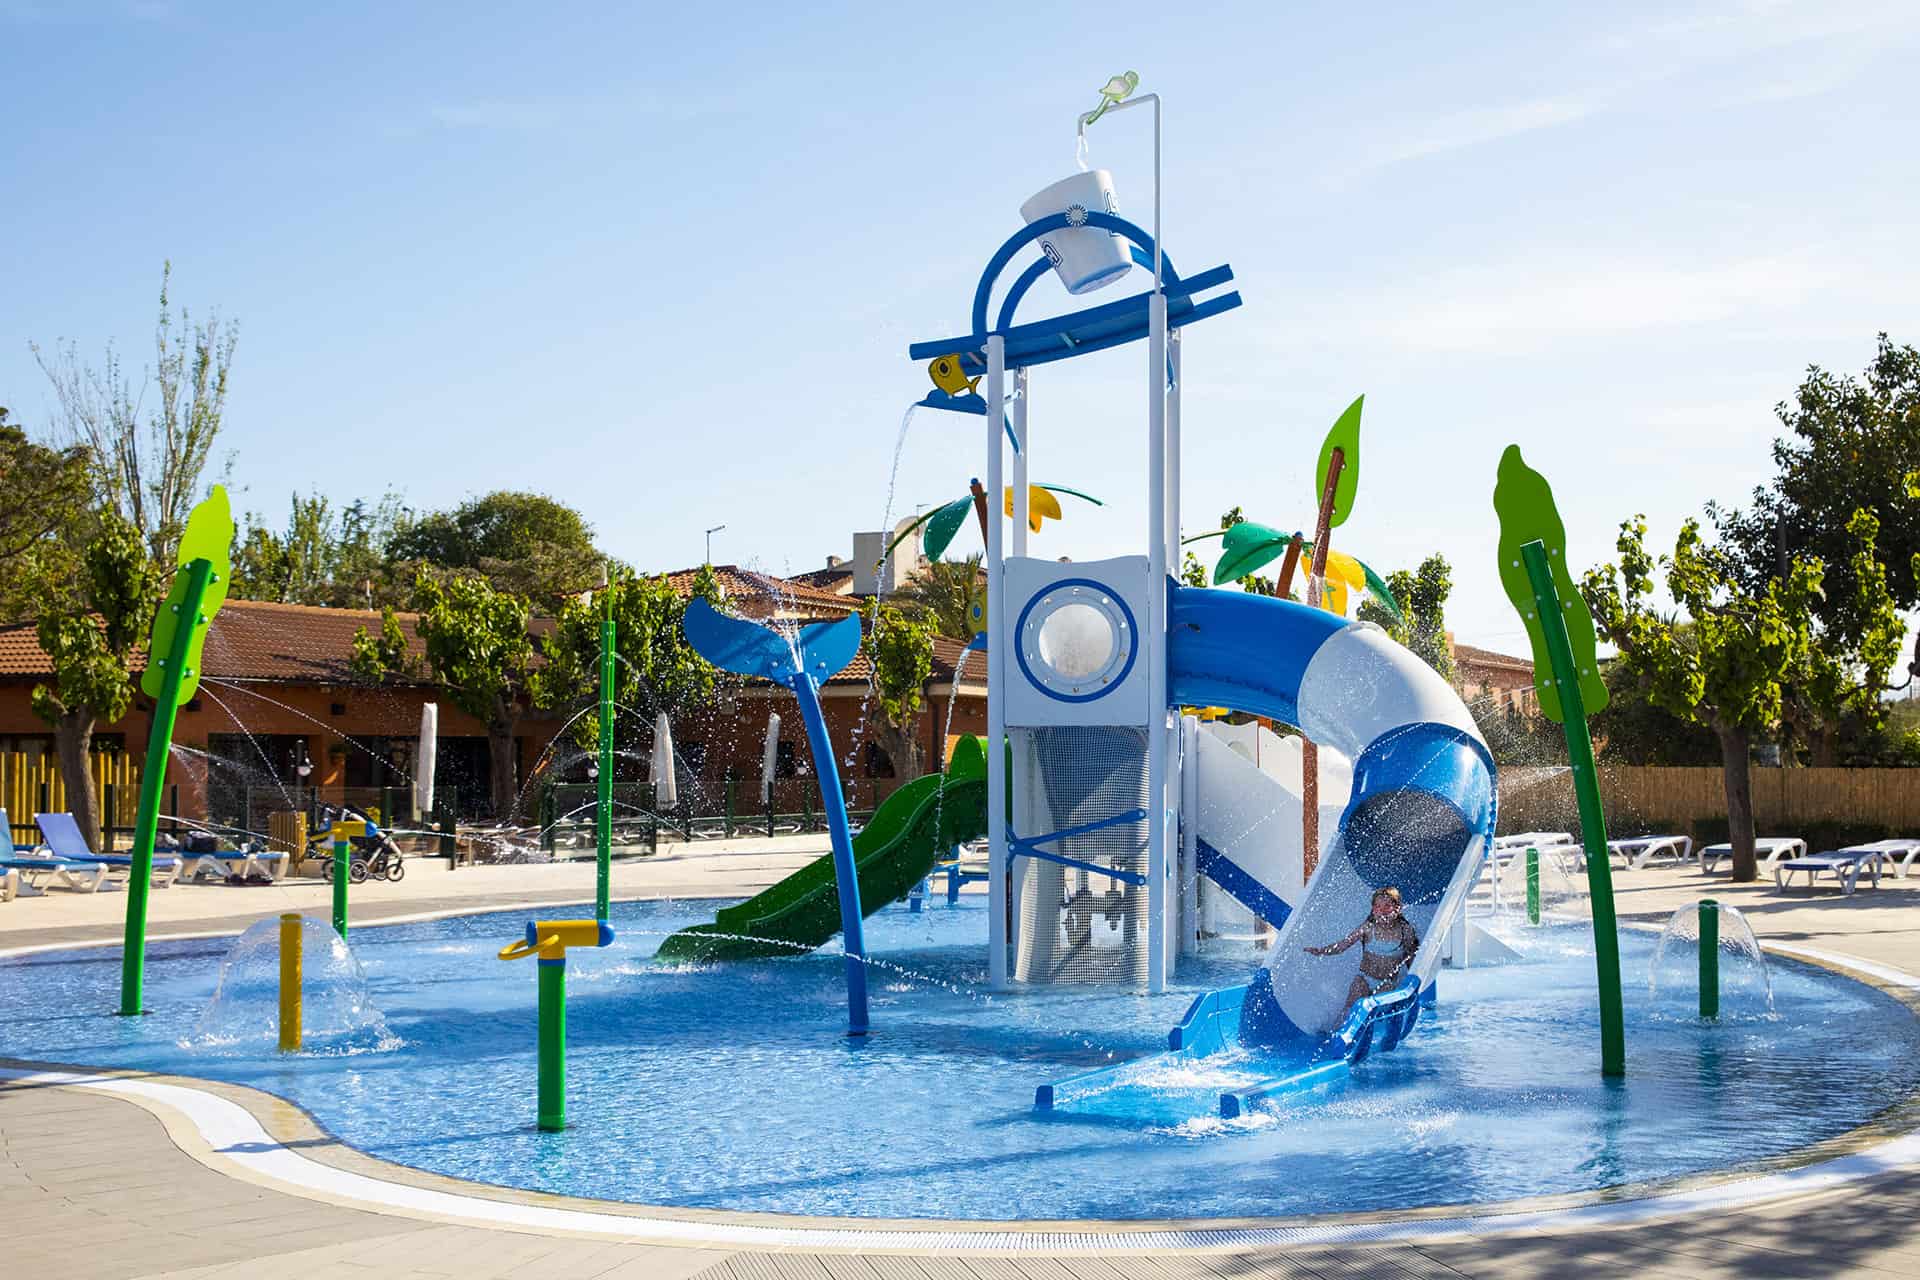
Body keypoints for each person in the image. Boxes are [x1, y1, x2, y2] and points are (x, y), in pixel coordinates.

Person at [1304, 886, 1420, 1015]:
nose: (1382, 911)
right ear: (1373, 910)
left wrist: (1414, 986)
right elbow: (1343, 945)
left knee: (1374, 1011)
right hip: (1364, 978)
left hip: (1387, 983)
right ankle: (1338, 1031)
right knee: (1350, 1006)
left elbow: (1412, 959)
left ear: (1398, 908)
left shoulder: (1406, 931)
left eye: (1387, 906)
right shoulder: (1368, 928)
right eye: (1378, 907)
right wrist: (1321, 951)